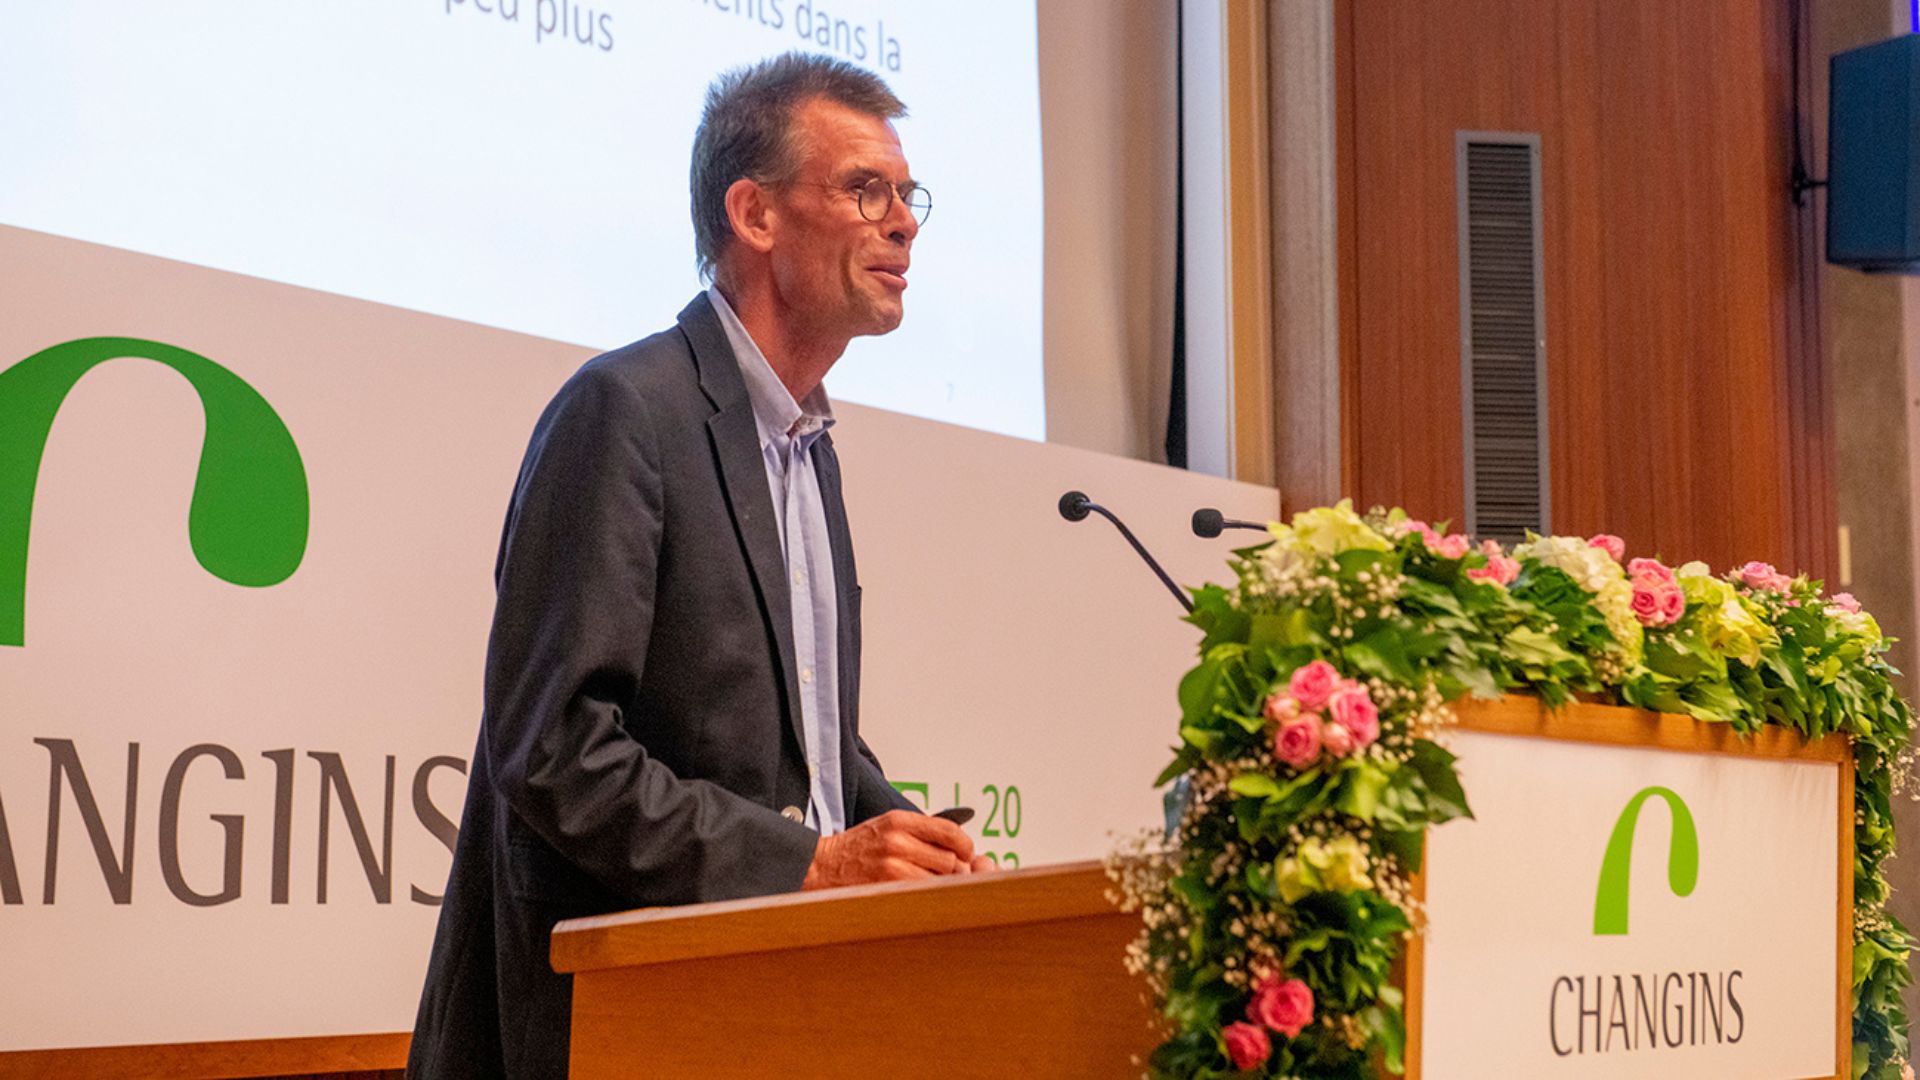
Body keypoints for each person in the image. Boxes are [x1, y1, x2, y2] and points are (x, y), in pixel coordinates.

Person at [407, 52, 986, 1080]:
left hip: (755, 1002)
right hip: (602, 1018)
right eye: (865, 189)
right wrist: (810, 860)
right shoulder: (627, 411)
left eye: (909, 196)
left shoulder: (809, 447)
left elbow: (805, 750)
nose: (902, 223)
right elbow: (555, 753)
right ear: (753, 215)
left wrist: (910, 842)